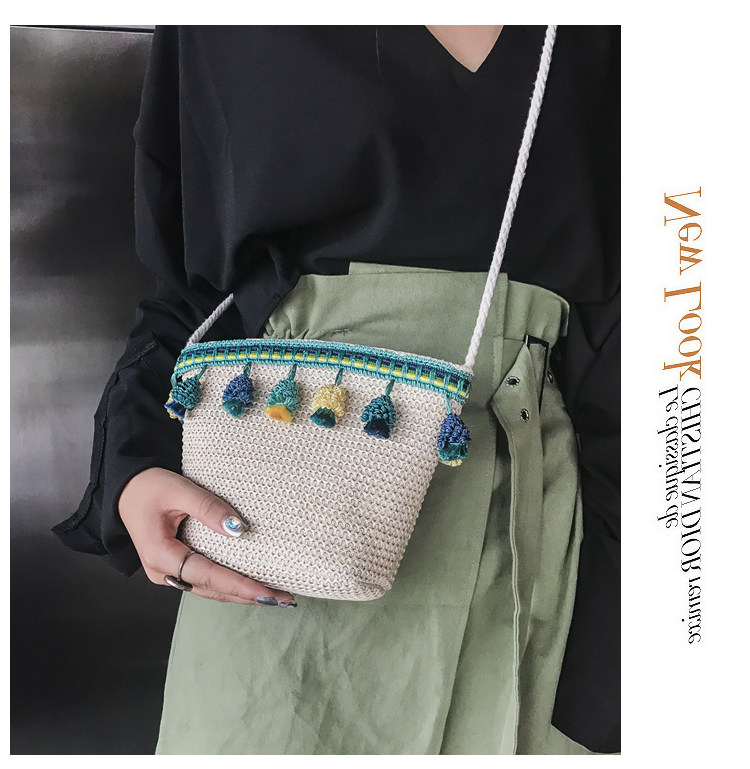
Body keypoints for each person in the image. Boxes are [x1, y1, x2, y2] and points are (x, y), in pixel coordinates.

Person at [52, 25, 620, 754]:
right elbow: (189, 285)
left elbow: (670, 308)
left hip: (545, 528)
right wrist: (132, 464)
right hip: (280, 508)